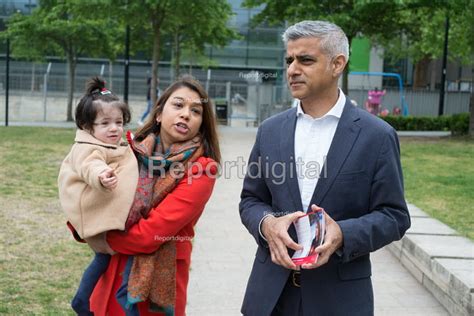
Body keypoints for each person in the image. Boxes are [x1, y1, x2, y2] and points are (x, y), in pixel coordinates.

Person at [239, 20, 410, 315]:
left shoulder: (377, 136)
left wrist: (343, 233)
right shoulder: (270, 131)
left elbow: (394, 216)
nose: (292, 69)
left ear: (337, 64)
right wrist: (267, 224)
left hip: (339, 300)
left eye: (305, 60)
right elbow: (250, 200)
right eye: (289, 60)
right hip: (269, 297)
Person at [88, 77, 221, 316]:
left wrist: (101, 236)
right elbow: (89, 197)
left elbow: (150, 234)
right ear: (158, 114)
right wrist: (83, 226)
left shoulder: (202, 169)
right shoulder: (127, 151)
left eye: (196, 111)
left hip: (157, 281)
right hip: (110, 272)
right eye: (178, 105)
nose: (186, 114)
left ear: (202, 123)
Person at [58, 76, 137, 315]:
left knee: (102, 259)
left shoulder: (113, 144)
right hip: (96, 216)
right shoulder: (86, 147)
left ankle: (83, 299)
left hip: (103, 218)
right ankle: (125, 298)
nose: (114, 128)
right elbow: (90, 165)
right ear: (87, 126)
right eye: (105, 123)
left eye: (119, 122)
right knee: (134, 248)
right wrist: (102, 176)